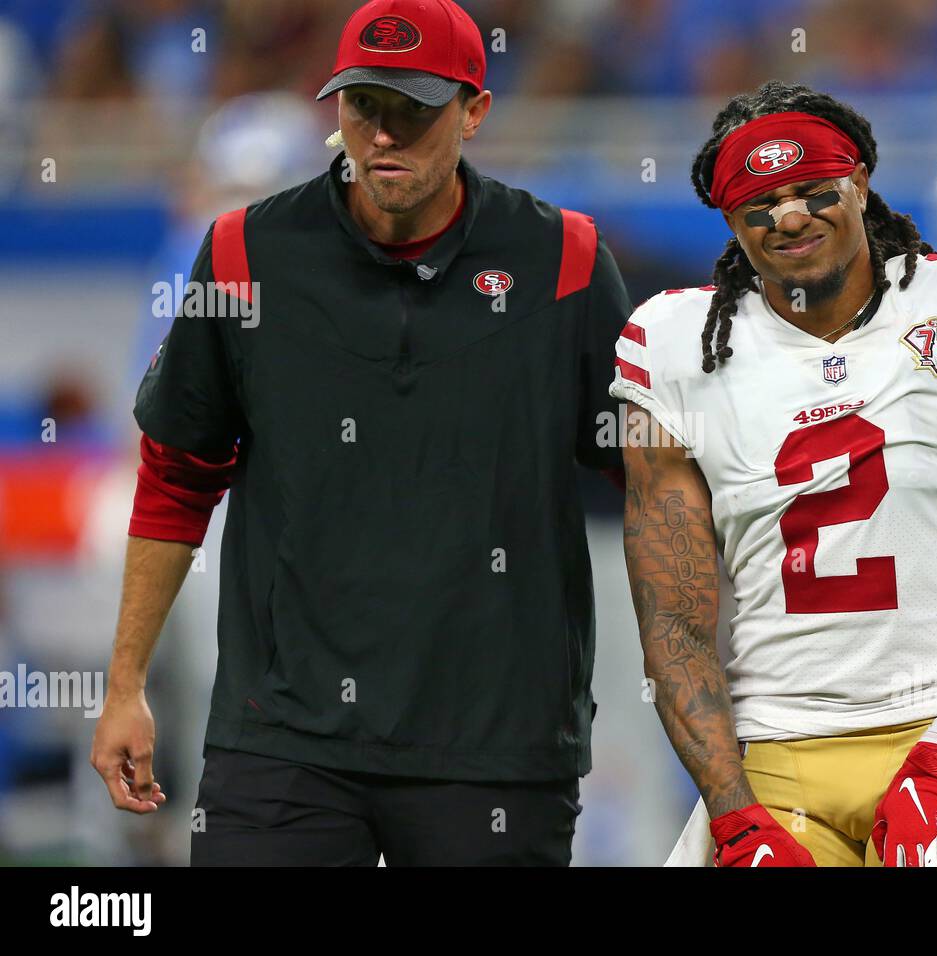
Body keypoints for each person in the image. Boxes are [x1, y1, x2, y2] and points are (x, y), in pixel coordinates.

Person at [90, 0, 632, 866]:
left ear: (475, 110)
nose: (384, 135)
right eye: (364, 106)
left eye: (415, 110)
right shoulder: (242, 254)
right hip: (282, 738)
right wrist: (124, 688)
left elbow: (651, 482)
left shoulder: (561, 259)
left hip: (493, 745)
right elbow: (176, 473)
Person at [612, 81, 937, 867]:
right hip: (776, 752)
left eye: (812, 190)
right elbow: (676, 628)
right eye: (759, 202)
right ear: (730, 221)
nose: (790, 216)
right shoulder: (671, 347)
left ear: (860, 180)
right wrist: (733, 815)